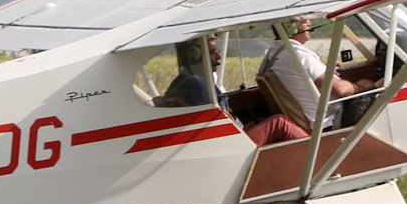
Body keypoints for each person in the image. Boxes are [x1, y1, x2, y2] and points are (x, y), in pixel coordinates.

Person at [161, 36, 306, 145]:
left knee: (262, 121)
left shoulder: (187, 80)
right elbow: (215, 122)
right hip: (229, 142)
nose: (218, 56)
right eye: (212, 52)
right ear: (195, 55)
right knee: (279, 123)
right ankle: (319, 156)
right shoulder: (196, 84)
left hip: (228, 137)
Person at [260, 18, 381, 131]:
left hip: (321, 116)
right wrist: (366, 89)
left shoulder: (275, 53)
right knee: (381, 86)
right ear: (290, 27)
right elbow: (340, 90)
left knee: (365, 82)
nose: (309, 23)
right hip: (331, 119)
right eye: (303, 21)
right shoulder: (299, 55)